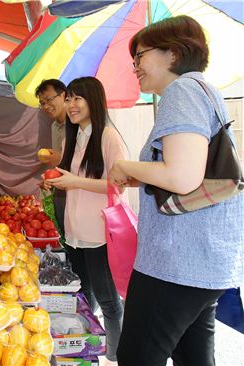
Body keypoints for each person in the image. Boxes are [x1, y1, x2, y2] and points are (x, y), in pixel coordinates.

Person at [108, 15, 244, 366]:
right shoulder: (204, 91)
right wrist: (144, 176)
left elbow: (183, 177)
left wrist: (125, 167)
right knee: (194, 356)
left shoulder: (181, 90)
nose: (134, 66)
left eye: (140, 56)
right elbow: (189, 173)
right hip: (203, 260)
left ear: (173, 54)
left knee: (137, 356)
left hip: (175, 263)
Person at [43, 77, 126, 365]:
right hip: (74, 231)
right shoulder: (72, 137)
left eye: (78, 98)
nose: (71, 105)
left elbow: (117, 186)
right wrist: (55, 182)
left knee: (107, 299)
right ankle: (88, 348)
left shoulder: (108, 137)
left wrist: (75, 181)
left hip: (99, 232)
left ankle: (116, 354)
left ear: (94, 101)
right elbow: (69, 178)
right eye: (70, 99)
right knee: (82, 292)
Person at [35, 79, 68, 232]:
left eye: (49, 99)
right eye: (42, 103)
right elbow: (59, 165)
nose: (46, 106)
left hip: (82, 196)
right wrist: (49, 179)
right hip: (62, 192)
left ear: (63, 95)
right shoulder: (54, 127)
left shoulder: (78, 125)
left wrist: (59, 159)